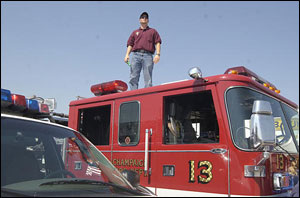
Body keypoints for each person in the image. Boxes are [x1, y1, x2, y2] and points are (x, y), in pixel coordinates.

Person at [124, 12, 162, 90]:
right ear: (139, 20)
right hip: (135, 55)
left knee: (148, 77)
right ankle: (133, 94)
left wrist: (158, 54)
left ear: (148, 20)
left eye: (146, 17)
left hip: (148, 56)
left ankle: (147, 95)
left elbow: (157, 42)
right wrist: (127, 55)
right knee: (133, 76)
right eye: (142, 17)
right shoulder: (135, 32)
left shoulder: (153, 31)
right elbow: (130, 44)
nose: (144, 18)